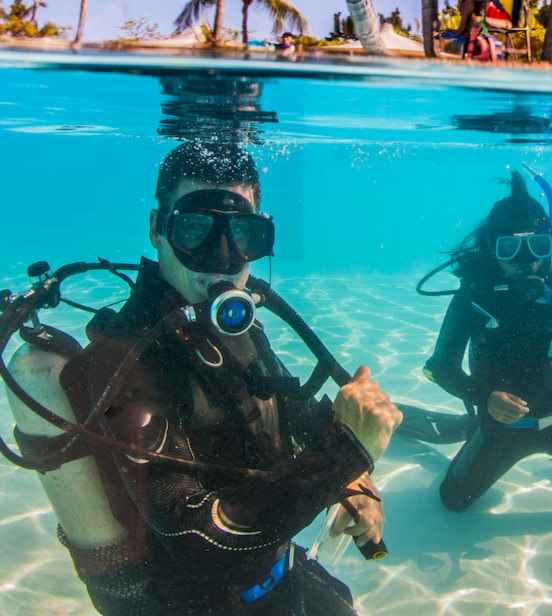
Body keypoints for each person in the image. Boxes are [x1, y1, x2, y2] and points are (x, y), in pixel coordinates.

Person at [56, 141, 402, 615]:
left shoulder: (232, 322)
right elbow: (198, 543)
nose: (222, 258)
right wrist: (346, 455)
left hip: (280, 574)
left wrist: (354, 482)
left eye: (243, 234)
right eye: (195, 229)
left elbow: (295, 413)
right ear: (157, 229)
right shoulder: (122, 360)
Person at [422, 170, 552, 514]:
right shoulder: (475, 294)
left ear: (551, 244)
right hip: (505, 426)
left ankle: (479, 429)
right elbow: (441, 366)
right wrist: (485, 399)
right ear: (492, 249)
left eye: (537, 246)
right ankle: (472, 427)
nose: (526, 261)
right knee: (453, 499)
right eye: (509, 249)